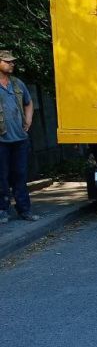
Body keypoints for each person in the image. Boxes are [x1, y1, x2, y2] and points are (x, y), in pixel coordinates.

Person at [0, 49, 39, 224]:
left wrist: (28, 119)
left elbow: (28, 102)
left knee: (21, 176)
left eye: (12, 61)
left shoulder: (17, 84)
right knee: (1, 176)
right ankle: (3, 210)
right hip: (1, 141)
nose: (11, 64)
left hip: (20, 140)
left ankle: (24, 210)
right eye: (7, 61)